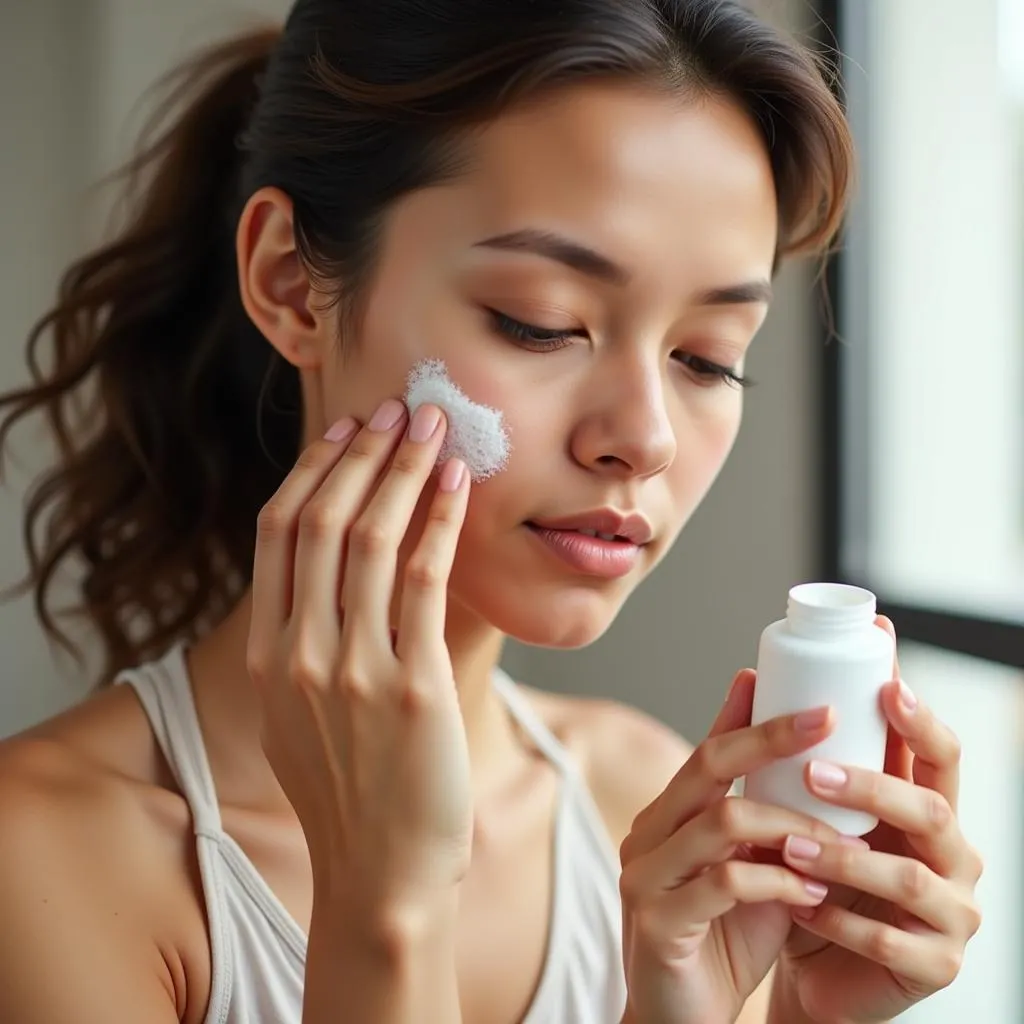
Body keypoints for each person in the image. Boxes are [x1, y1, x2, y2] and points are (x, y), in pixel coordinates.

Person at [0, 1, 983, 1022]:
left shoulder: (643, 808)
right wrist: (387, 905)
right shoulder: (46, 859)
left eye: (706, 358)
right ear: (290, 281)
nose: (642, 437)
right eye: (541, 323)